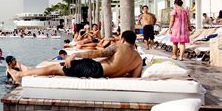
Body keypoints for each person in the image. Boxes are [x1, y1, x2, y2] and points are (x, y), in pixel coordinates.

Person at [8, 31, 142, 84]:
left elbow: (97, 54)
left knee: (54, 68)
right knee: (56, 69)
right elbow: (135, 78)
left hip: (94, 68)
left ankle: (21, 76)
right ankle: (26, 72)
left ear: (123, 38)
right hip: (101, 72)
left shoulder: (119, 46)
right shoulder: (138, 59)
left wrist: (75, 54)